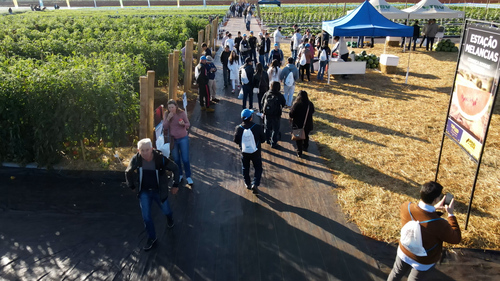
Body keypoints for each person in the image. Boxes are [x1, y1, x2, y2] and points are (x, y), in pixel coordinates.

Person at [387, 181, 461, 281]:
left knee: (396, 272)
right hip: (423, 260)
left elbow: (420, 218)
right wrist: (451, 215)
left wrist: (434, 208)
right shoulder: (439, 224)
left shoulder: (406, 207)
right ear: (435, 200)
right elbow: (456, 238)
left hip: (404, 251)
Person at [125, 138, 180, 251]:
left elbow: (175, 168)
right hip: (144, 191)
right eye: (142, 150)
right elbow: (128, 172)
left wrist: (175, 184)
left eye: (147, 150)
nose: (145, 153)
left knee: (166, 210)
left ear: (152, 149)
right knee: (146, 217)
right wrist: (132, 186)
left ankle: (169, 218)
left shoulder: (160, 159)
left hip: (159, 191)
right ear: (138, 150)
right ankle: (152, 237)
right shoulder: (137, 159)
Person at [233, 109, 266, 194]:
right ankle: (255, 183)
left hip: (244, 152)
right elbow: (263, 140)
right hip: (256, 152)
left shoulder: (238, 128)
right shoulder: (257, 127)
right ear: (251, 118)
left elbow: (236, 140)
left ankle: (247, 183)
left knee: (245, 168)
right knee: (258, 168)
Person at [163, 99, 193, 185]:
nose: (171, 109)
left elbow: (188, 124)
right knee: (176, 159)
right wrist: (168, 119)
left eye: (172, 107)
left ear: (176, 106)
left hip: (183, 138)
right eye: (169, 108)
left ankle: (188, 176)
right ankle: (179, 174)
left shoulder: (181, 113)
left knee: (185, 159)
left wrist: (183, 124)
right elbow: (165, 127)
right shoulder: (166, 114)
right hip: (173, 139)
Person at [289, 90, 315, 157]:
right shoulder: (310, 104)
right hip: (308, 124)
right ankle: (305, 146)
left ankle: (299, 151)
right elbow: (313, 111)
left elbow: (291, 114)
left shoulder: (297, 104)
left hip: (298, 125)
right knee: (306, 135)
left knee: (298, 138)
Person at [262, 81, 286, 148]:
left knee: (267, 127)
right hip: (276, 114)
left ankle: (267, 140)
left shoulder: (267, 93)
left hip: (267, 113)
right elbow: (283, 103)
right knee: (275, 129)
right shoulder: (280, 95)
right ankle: (273, 143)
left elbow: (262, 102)